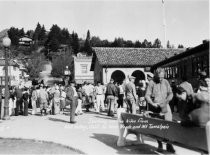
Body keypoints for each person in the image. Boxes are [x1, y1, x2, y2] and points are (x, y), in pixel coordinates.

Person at [145, 68, 175, 153]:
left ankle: (169, 145)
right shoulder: (151, 83)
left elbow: (171, 93)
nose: (161, 79)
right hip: (155, 107)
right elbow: (147, 95)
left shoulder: (165, 82)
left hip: (165, 106)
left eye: (162, 77)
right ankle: (160, 144)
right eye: (159, 77)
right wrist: (151, 103)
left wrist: (167, 100)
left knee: (169, 125)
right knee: (158, 126)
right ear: (156, 75)